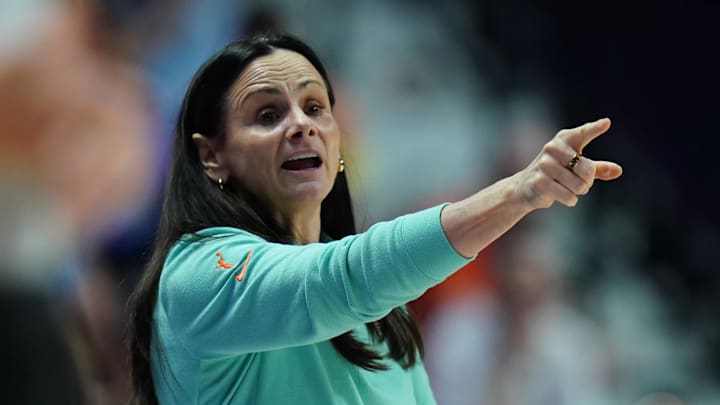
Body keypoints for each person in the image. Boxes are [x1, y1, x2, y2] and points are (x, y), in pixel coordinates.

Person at [126, 32, 622, 405]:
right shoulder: (195, 276)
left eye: (315, 107)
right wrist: (519, 191)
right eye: (267, 115)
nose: (301, 125)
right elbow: (337, 282)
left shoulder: (385, 315)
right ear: (212, 156)